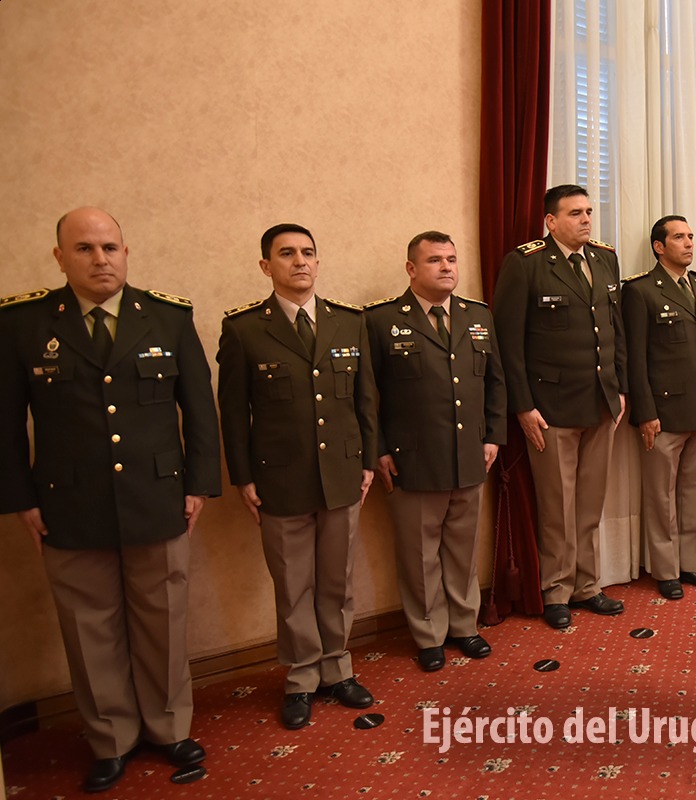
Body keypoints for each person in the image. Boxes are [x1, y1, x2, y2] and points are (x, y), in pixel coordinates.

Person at [0, 207, 221, 792]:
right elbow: (3, 421)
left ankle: (168, 727)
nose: (100, 259)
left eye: (110, 247)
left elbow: (199, 407)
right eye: (85, 249)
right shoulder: (23, 324)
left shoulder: (168, 317)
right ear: (59, 258)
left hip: (158, 498)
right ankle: (111, 739)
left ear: (126, 252)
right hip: (68, 504)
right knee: (88, 626)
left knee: (164, 621)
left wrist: (199, 484)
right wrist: (20, 497)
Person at [217, 223, 378, 729]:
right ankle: (302, 678)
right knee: (293, 585)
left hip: (342, 474)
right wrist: (242, 476)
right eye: (286, 254)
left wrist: (368, 460)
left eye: (308, 252)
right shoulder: (244, 329)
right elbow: (233, 412)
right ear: (267, 266)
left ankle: (338, 669)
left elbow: (366, 400)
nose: (300, 262)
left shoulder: (348, 322)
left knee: (338, 581)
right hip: (279, 479)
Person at [366, 232, 505, 671]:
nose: (446, 267)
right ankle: (428, 634)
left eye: (451, 259)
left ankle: (464, 626)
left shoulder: (477, 316)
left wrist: (493, 436)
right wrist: (380, 450)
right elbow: (367, 396)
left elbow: (496, 383)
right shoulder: (381, 320)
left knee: (462, 549)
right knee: (419, 552)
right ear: (411, 269)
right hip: (413, 457)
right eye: (434, 261)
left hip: (468, 453)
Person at [492, 185, 627, 629]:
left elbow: (615, 329)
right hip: (550, 407)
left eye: (589, 211)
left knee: (590, 503)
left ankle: (588, 585)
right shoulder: (526, 262)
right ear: (551, 221)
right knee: (557, 506)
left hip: (601, 402)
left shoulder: (605, 258)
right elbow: (508, 343)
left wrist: (620, 387)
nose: (587, 219)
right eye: (575, 213)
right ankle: (556, 590)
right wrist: (523, 406)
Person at [623, 215, 696, 599]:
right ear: (659, 246)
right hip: (663, 413)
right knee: (661, 494)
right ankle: (666, 570)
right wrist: (646, 412)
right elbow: (636, 359)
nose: (688, 243)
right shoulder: (642, 291)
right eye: (679, 237)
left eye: (690, 236)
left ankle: (691, 563)